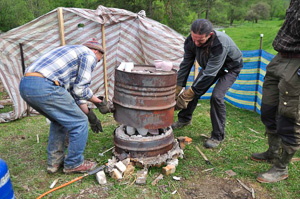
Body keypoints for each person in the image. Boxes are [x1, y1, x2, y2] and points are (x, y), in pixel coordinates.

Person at [19, 39, 105, 174]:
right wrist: (98, 102)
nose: (97, 63)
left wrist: (89, 113)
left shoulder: (71, 53)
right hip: (46, 85)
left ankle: (54, 162)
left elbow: (73, 93)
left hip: (27, 85)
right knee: (80, 123)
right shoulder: (89, 54)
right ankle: (74, 163)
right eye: (99, 60)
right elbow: (80, 90)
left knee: (60, 121)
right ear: (96, 51)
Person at [173, 19, 243, 148]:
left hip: (229, 69)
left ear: (209, 35)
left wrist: (188, 94)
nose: (196, 43)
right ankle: (184, 119)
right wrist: (178, 87)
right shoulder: (191, 41)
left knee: (216, 96)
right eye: (194, 39)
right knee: (195, 88)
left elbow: (210, 73)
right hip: (209, 68)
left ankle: (217, 136)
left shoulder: (219, 44)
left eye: (200, 40)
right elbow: (186, 64)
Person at [251, 0, 300, 183]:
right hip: (280, 57)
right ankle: (272, 151)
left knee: (289, 116)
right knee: (268, 109)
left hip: (297, 62)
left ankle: (282, 167)